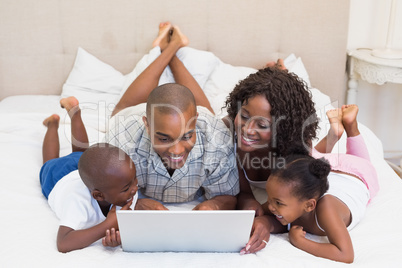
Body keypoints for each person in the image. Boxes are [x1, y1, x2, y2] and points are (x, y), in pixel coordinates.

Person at [106, 22, 239, 210]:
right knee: (121, 109)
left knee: (202, 108)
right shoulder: (121, 139)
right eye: (163, 138)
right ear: (147, 125)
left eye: (187, 136)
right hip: (133, 112)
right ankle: (170, 48)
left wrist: (215, 205)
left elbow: (228, 196)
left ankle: (171, 49)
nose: (176, 151)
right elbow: (105, 195)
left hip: (200, 117)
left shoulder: (216, 137)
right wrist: (137, 204)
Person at [265, 105, 379, 263]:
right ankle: (334, 134)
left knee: (363, 162)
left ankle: (351, 126)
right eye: (270, 199)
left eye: (277, 202)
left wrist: (300, 242)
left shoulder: (326, 209)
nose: (270, 206)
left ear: (309, 206)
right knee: (308, 160)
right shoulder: (290, 198)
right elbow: (263, 210)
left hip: (356, 175)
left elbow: (345, 254)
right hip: (326, 169)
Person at [223, 66, 319, 254]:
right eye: (244, 116)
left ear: (282, 129)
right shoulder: (227, 134)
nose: (248, 130)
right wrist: (247, 201)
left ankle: (279, 67)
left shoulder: (296, 152)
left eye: (262, 125)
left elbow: (299, 210)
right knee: (202, 107)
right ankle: (175, 48)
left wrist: (267, 222)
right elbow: (241, 192)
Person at [40, 96, 139, 253]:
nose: (135, 188)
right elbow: (64, 243)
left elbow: (125, 223)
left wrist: (116, 237)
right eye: (127, 187)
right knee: (49, 162)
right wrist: (107, 225)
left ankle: (75, 113)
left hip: (86, 170)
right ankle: (52, 124)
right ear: (98, 196)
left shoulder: (122, 184)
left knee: (83, 153)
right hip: (59, 177)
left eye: (135, 179)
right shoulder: (78, 202)